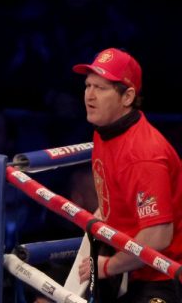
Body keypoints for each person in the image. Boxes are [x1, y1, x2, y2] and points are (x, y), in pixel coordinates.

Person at [74, 48, 182, 302]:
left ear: (127, 96)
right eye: (88, 85)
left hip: (165, 275)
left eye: (100, 88)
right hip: (127, 261)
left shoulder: (144, 154)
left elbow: (157, 237)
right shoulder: (106, 129)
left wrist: (106, 267)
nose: (89, 95)